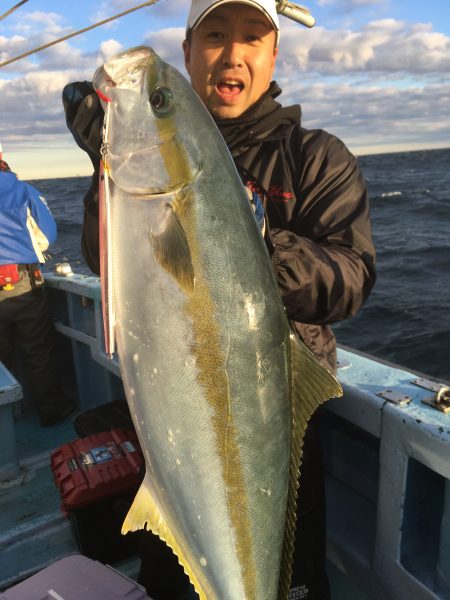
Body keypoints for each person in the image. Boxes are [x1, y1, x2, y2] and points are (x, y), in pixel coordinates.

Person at [62, 0, 376, 597]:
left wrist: (241, 242)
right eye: (215, 35)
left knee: (285, 581)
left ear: (272, 53)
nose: (233, 53)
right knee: (172, 580)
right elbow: (110, 264)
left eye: (252, 37)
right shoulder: (146, 160)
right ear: (188, 52)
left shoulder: (316, 158)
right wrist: (106, 170)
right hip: (172, 421)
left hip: (278, 423)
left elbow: (352, 277)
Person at [0, 158, 75, 427]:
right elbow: (47, 235)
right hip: (21, 283)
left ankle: (7, 423)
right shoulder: (24, 192)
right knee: (37, 350)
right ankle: (51, 410)